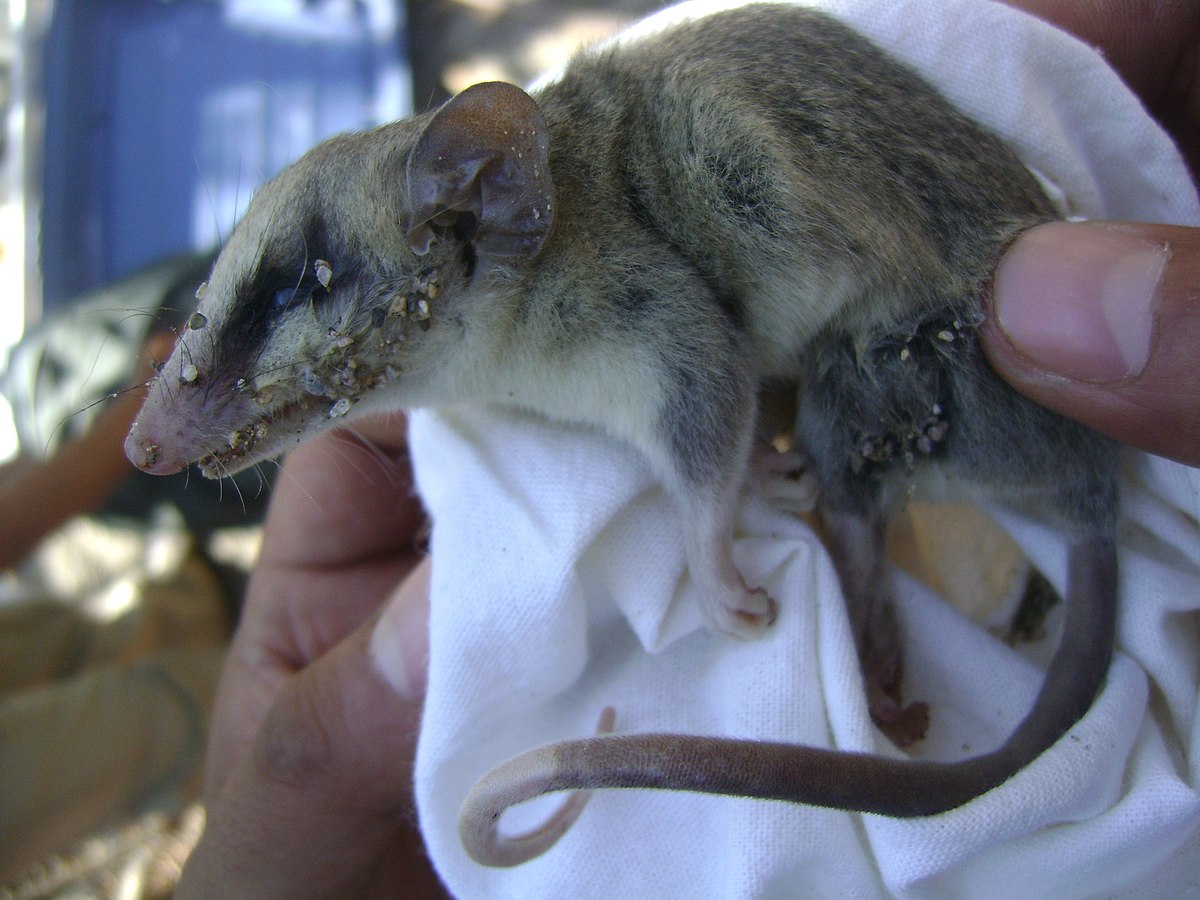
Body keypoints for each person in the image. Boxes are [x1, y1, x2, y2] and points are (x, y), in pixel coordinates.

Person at [174, 2, 1200, 896]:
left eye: (298, 294)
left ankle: (873, 636)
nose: (170, 428)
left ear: (475, 210)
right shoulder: (500, 279)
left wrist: (710, 547)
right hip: (882, 269)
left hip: (966, 351)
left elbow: (695, 375)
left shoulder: (566, 290)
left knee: (841, 449)